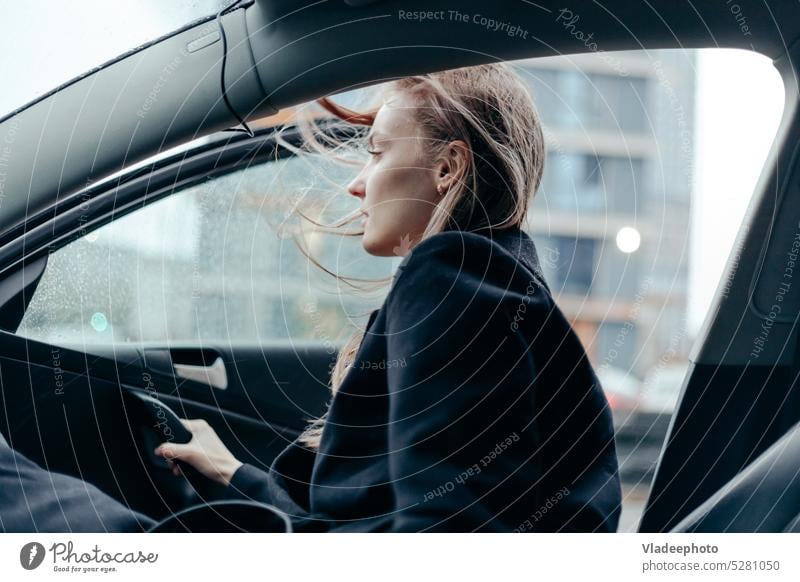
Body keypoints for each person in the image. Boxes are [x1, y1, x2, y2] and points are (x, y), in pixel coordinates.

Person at [153, 63, 623, 532]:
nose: (357, 183)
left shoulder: (452, 278)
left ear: (447, 167)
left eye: (377, 152)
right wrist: (232, 473)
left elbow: (445, 533)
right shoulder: (488, 286)